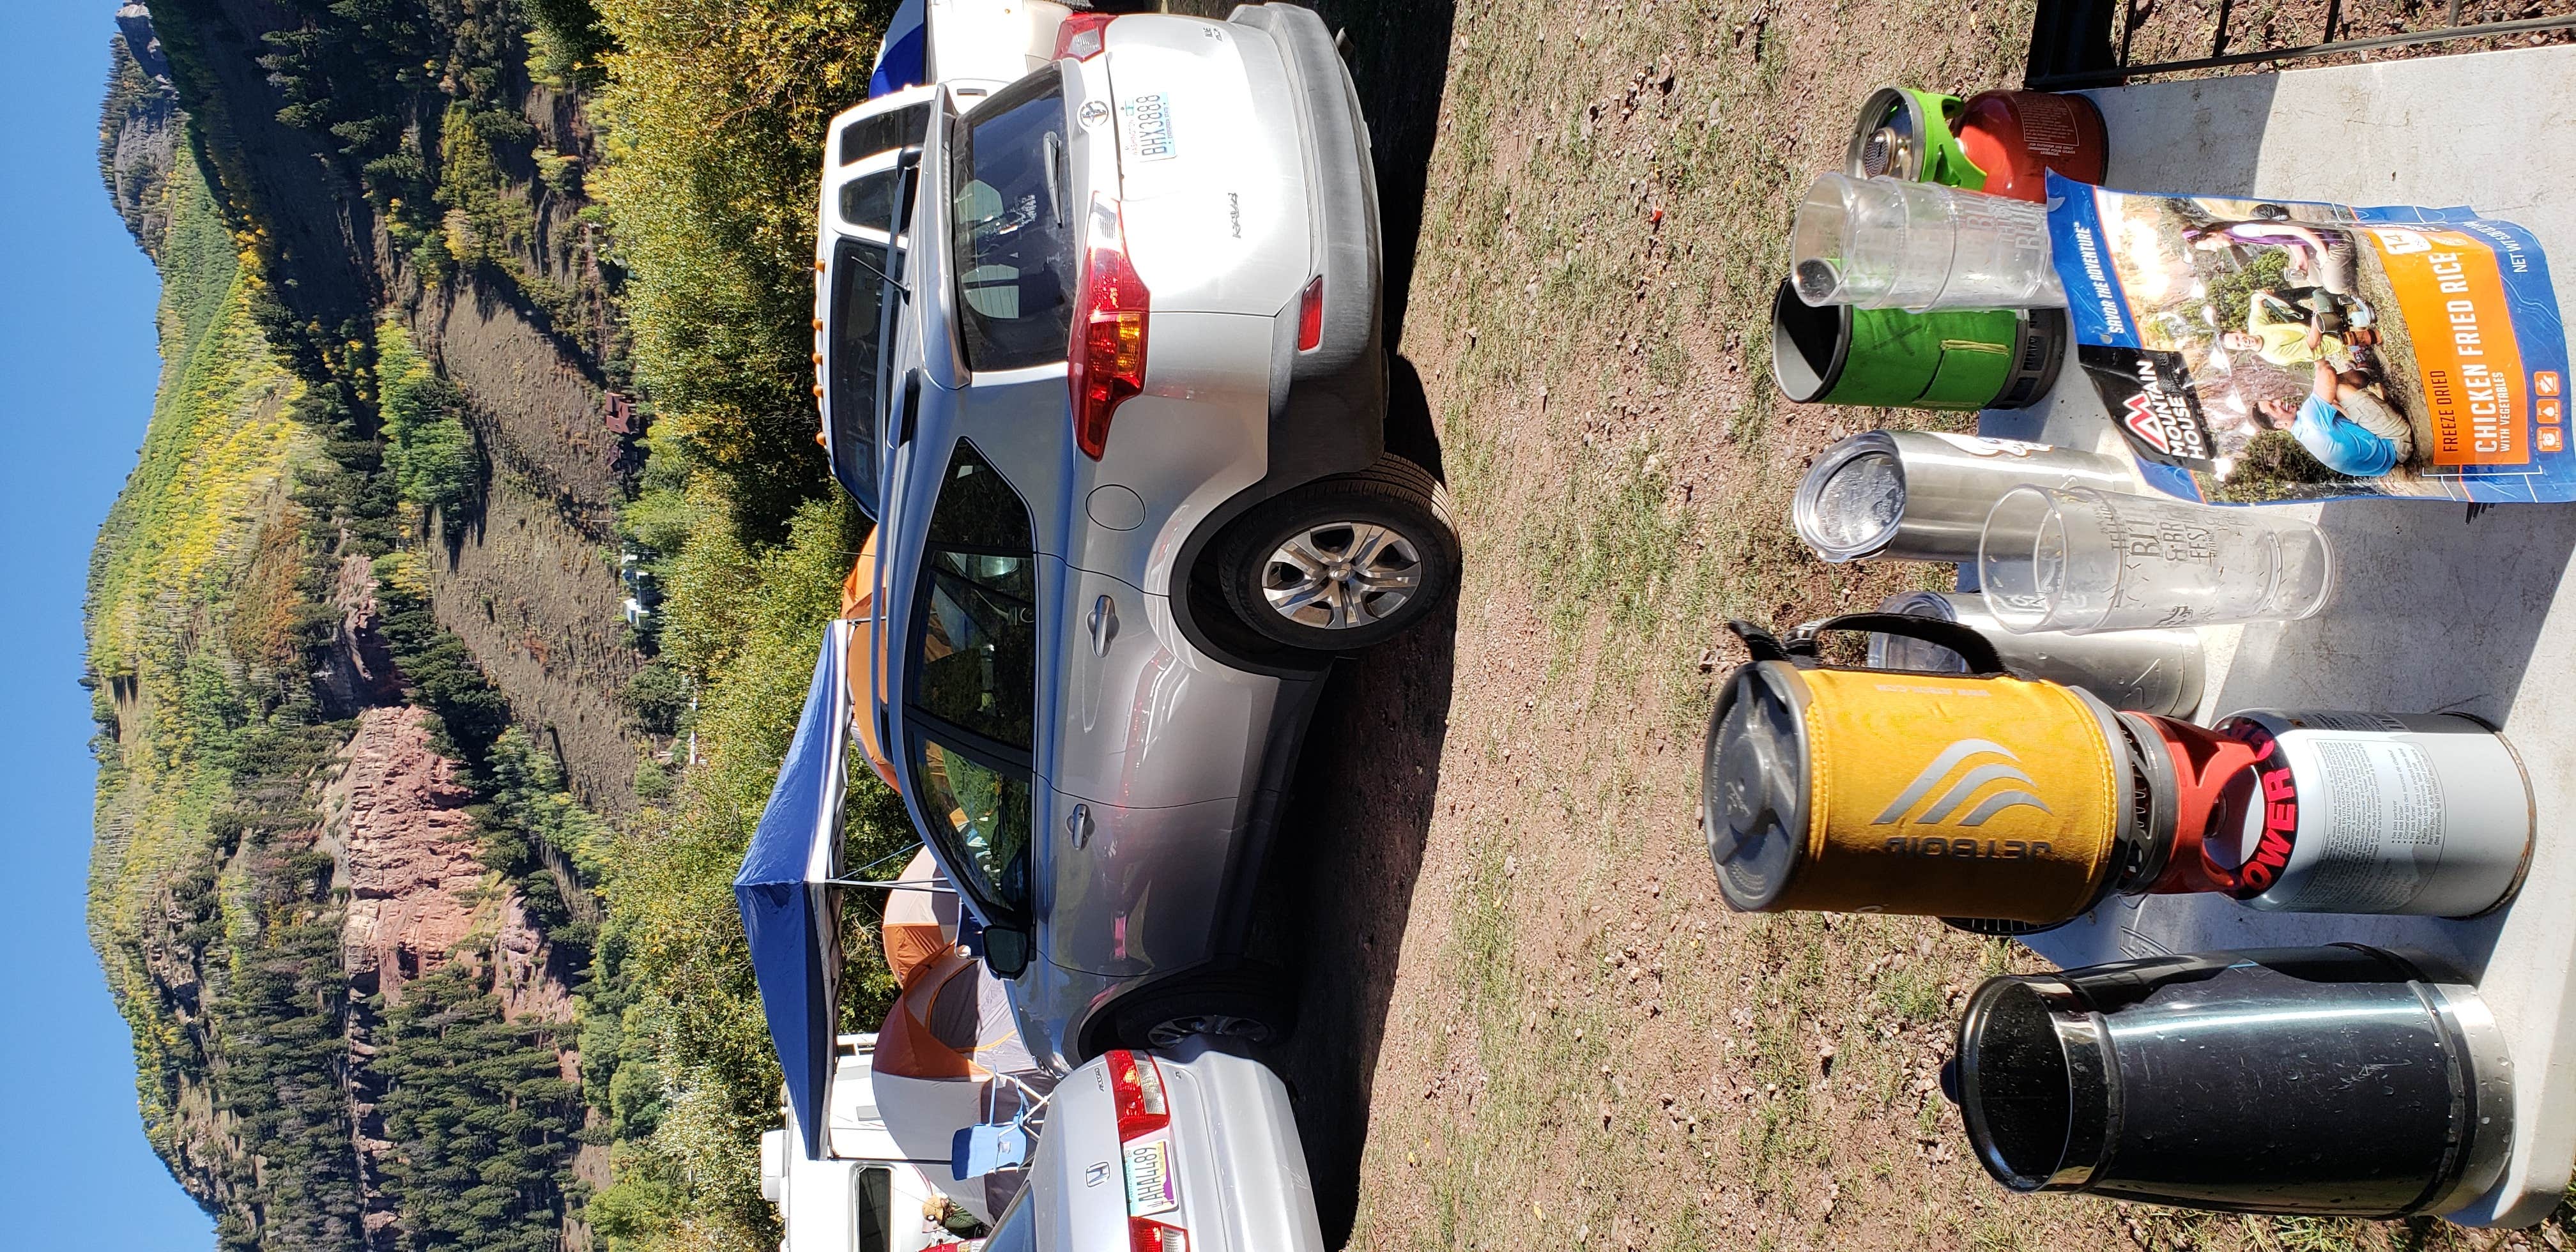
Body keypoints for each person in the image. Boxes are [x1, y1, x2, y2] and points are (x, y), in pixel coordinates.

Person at [2253, 360, 2412, 478]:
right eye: (2274, 407)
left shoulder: (2302, 433)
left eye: (2273, 400)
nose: (2279, 401)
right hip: (2396, 444)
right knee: (2337, 386)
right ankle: (2366, 373)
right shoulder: (2309, 418)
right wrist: (2316, 358)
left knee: (2330, 400)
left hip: (2384, 463)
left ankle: (2365, 376)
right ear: (2280, 424)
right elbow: (2328, 373)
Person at [2222, 291, 2375, 381]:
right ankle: (2349, 305)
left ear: (2238, 331)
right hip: (2328, 338)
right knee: (2319, 294)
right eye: (2239, 345)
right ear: (2241, 350)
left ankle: (2339, 303)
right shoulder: (2275, 356)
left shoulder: (2255, 328)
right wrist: (2316, 315)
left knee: (2272, 301)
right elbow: (2313, 342)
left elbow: (2255, 302)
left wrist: (2261, 295)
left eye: (2238, 338)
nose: (2243, 342)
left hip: (2309, 328)